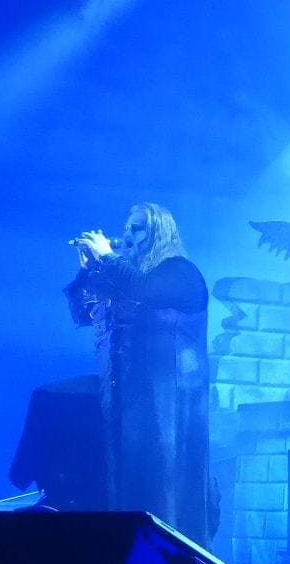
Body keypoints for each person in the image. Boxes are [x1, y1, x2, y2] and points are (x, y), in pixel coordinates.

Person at [68, 203, 214, 544]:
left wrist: (107, 257)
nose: (128, 236)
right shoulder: (125, 278)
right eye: (127, 229)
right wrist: (88, 269)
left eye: (137, 229)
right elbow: (82, 314)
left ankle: (170, 552)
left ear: (159, 233)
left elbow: (144, 289)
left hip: (169, 399)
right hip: (127, 396)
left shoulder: (180, 272)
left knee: (161, 479)